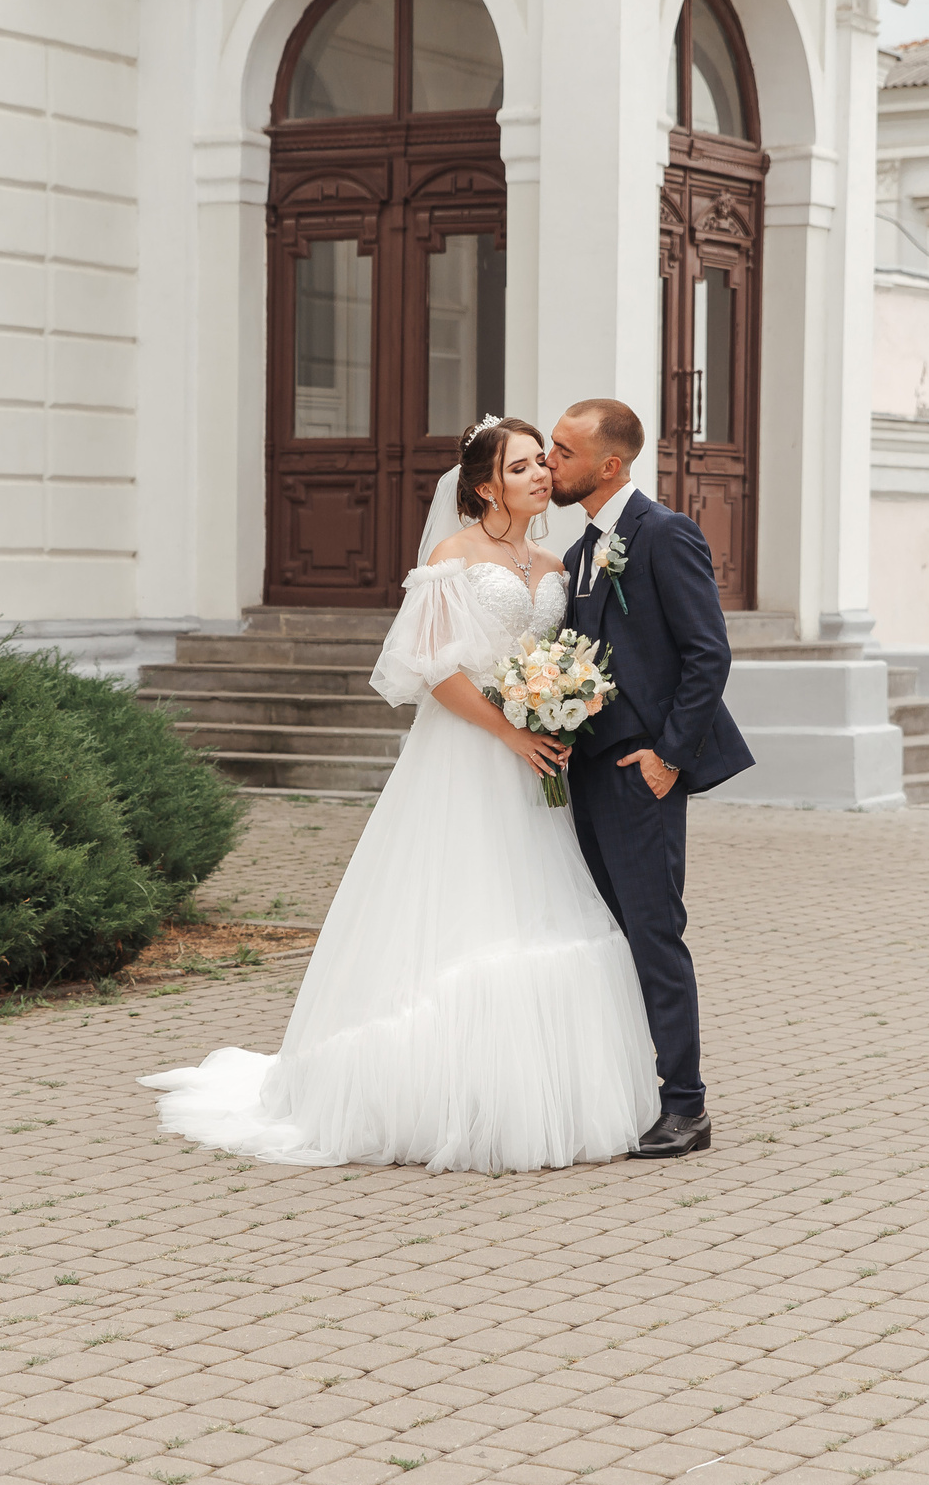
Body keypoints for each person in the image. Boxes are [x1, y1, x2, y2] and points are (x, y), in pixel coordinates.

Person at [138, 417, 659, 1173]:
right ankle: (433, 1092)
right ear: (485, 487)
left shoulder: (556, 559)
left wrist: (557, 709)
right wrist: (510, 730)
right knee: (464, 900)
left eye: (543, 462)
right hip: (470, 753)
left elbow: (561, 653)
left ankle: (528, 1086)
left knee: (538, 900)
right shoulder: (452, 559)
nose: (542, 473)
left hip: (535, 756)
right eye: (523, 467)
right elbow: (434, 670)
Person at [546, 399, 753, 1159]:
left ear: (611, 465)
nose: (549, 464)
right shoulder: (577, 554)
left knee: (655, 935)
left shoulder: (664, 535)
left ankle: (687, 1107)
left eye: (563, 453)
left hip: (642, 773)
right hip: (588, 774)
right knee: (609, 934)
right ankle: (632, 1087)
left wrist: (668, 755)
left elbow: (709, 654)